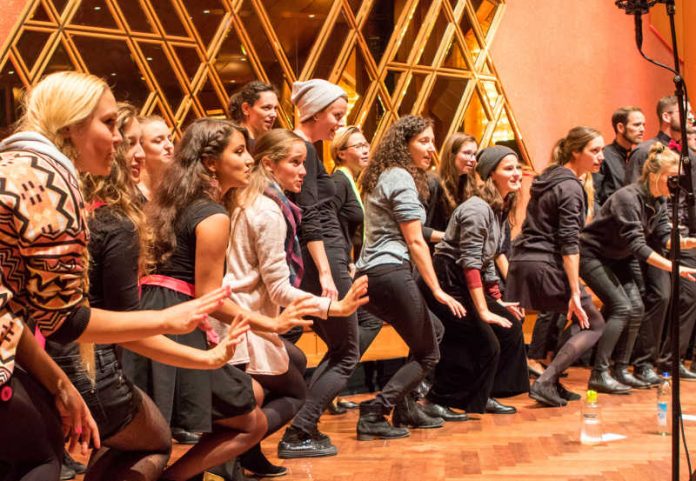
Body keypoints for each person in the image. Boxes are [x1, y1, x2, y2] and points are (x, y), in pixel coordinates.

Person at [0, 71, 229, 481]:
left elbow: (14, 316)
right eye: (109, 124)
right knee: (39, 458)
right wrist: (171, 319)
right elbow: (65, 320)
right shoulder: (48, 174)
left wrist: (57, 384)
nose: (122, 140)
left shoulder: (16, 162)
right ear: (71, 124)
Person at [49, 103, 248, 481]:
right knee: (155, 443)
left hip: (53, 361)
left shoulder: (76, 207)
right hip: (88, 364)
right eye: (129, 141)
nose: (139, 153)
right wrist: (201, 354)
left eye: (142, 142)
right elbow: (120, 327)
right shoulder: (117, 221)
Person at [219, 128, 368, 476]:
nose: (304, 171)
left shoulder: (247, 198)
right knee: (295, 393)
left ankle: (246, 452)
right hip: (245, 317)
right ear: (269, 164)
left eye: (304, 163)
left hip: (241, 312)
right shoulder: (269, 211)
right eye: (295, 163)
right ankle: (230, 451)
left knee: (296, 359)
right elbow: (278, 289)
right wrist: (335, 307)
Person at [355, 115, 466, 440]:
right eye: (424, 141)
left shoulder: (388, 175)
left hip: (377, 272)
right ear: (404, 145)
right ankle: (375, 411)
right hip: (389, 272)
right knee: (430, 350)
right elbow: (414, 240)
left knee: (433, 332)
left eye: (432, 141)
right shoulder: (400, 177)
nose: (432, 148)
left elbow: (413, 234)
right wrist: (437, 290)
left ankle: (404, 406)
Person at [277, 79, 362, 458]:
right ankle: (298, 430)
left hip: (325, 257)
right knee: (347, 351)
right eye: (336, 116)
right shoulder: (303, 151)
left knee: (338, 346)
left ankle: (302, 422)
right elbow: (311, 216)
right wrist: (327, 273)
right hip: (323, 260)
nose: (339, 126)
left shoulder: (309, 150)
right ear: (314, 110)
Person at [420, 145, 529, 416]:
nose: (516, 173)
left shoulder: (498, 208)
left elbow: (486, 259)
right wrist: (483, 310)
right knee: (483, 341)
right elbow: (469, 263)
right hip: (448, 278)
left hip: (466, 277)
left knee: (510, 327)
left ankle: (483, 394)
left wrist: (498, 300)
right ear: (491, 175)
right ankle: (438, 400)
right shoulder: (477, 210)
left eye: (517, 167)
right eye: (508, 168)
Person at [583, 143, 696, 395]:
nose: (676, 183)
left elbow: (666, 238)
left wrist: (692, 242)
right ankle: (599, 373)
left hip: (618, 256)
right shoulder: (628, 197)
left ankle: (621, 369)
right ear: (656, 175)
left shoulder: (659, 200)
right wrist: (673, 267)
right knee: (623, 307)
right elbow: (638, 246)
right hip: (592, 254)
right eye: (673, 177)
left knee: (636, 307)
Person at [506, 126, 607, 407]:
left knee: (576, 319)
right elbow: (569, 243)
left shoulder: (549, 177)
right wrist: (575, 291)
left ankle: (554, 379)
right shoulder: (571, 186)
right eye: (594, 151)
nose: (601, 157)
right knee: (594, 323)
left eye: (602, 150)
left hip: (524, 260)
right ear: (576, 151)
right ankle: (546, 380)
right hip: (545, 264)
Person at [327, 126, 384, 415]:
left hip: (349, 265)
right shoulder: (338, 181)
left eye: (366, 144)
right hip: (340, 268)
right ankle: (328, 387)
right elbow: (331, 225)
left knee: (361, 327)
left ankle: (331, 390)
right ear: (340, 153)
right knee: (365, 323)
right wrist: (344, 261)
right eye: (357, 146)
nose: (365, 150)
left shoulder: (351, 181)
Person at [423, 132, 479, 243]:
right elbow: (417, 230)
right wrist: (453, 238)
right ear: (451, 154)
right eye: (467, 153)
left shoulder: (468, 186)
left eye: (474, 154)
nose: (473, 159)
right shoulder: (432, 183)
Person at [593, 106, 645, 206]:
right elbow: (593, 196)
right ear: (620, 127)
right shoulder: (603, 156)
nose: (642, 129)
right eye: (637, 125)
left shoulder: (638, 155)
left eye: (643, 125)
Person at [228, 80, 280, 152]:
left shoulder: (269, 143)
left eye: (275, 108)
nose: (274, 114)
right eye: (267, 108)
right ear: (246, 109)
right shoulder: (234, 143)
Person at [137, 115, 174, 200]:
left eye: (170, 139)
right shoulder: (129, 195)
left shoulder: (175, 188)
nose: (169, 146)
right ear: (139, 147)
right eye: (158, 141)